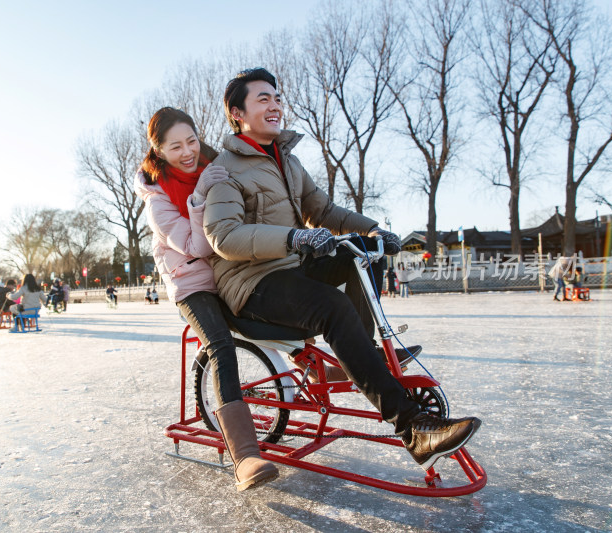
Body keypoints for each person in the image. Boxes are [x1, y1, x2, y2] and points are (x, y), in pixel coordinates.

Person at [202, 68, 480, 471]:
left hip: (292, 266)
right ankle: (412, 429)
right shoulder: (226, 169)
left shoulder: (287, 160)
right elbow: (223, 236)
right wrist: (293, 238)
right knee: (332, 305)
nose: (275, 105)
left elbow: (324, 211)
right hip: (251, 282)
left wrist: (372, 230)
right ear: (237, 113)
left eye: (277, 97)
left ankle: (360, 353)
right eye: (263, 99)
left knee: (363, 253)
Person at [135, 106, 278, 491]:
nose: (187, 152)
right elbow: (197, 246)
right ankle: (245, 455)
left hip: (229, 270)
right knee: (220, 343)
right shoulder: (158, 200)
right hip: (192, 283)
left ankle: (313, 364)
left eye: (192, 141)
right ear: (159, 151)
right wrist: (199, 197)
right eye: (176, 146)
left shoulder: (216, 165)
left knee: (270, 306)